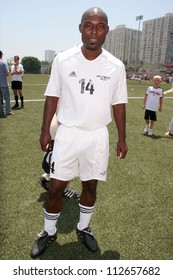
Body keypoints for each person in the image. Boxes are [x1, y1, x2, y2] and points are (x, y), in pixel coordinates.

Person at [30, 6, 128, 258]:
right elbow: (52, 96)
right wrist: (45, 131)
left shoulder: (116, 66)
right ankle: (49, 232)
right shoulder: (63, 59)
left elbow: (119, 104)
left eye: (100, 26)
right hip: (67, 134)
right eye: (88, 25)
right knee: (55, 188)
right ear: (80, 28)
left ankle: (83, 228)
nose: (93, 30)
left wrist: (122, 137)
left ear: (106, 30)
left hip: (96, 136)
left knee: (90, 187)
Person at [39, 113, 80, 199]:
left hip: (57, 122)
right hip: (63, 123)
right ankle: (63, 188)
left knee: (56, 158)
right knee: (68, 160)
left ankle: (47, 178)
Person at [0, 50, 14, 117]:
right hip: (3, 83)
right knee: (7, 97)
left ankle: (1, 112)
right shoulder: (3, 63)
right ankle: (7, 111)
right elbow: (7, 73)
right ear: (1, 55)